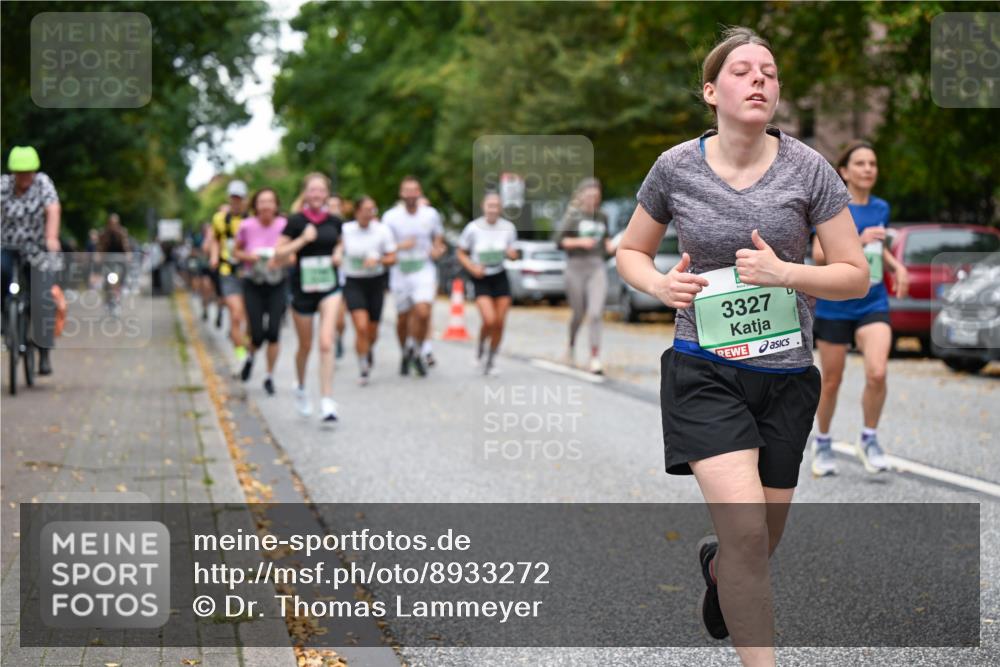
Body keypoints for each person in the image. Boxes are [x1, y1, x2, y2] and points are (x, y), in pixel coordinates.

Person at [615, 27, 868, 664]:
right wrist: (658, 284)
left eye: (770, 72)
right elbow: (630, 250)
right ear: (711, 90)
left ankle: (720, 572)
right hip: (705, 369)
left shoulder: (809, 168)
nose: (759, 80)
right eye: (743, 71)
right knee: (747, 531)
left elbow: (854, 274)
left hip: (786, 376)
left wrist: (788, 273)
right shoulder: (675, 167)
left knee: (757, 541)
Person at [810, 141, 909, 477]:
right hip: (835, 304)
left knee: (877, 372)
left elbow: (876, 248)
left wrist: (896, 266)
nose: (869, 169)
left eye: (873, 163)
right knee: (832, 381)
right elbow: (820, 255)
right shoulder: (833, 206)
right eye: (861, 163)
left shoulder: (881, 207)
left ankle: (869, 438)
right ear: (845, 171)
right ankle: (822, 442)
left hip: (872, 300)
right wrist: (859, 241)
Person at [275, 173, 343, 422]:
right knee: (305, 346)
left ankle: (327, 400)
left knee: (326, 342)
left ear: (326, 194)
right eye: (311, 190)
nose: (316, 195)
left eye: (321, 190)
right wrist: (302, 240)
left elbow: (341, 243)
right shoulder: (294, 222)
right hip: (302, 289)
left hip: (329, 287)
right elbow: (279, 252)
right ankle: (301, 388)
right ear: (305, 193)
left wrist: (338, 252)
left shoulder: (335, 221)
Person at [1, 146, 62, 376]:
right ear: (13, 173)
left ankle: (44, 353)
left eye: (28, 172)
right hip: (6, 245)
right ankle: (4, 317)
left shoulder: (42, 183)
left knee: (42, 296)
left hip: (37, 247)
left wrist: (51, 237)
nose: (24, 177)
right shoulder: (3, 185)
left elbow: (53, 209)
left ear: (34, 171)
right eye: (19, 172)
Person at [383, 177, 445, 377]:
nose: (410, 194)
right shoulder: (391, 217)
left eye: (414, 190)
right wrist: (401, 247)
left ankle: (416, 348)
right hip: (400, 271)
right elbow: (384, 245)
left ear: (419, 193)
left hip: (423, 269)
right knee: (402, 319)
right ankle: (405, 352)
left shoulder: (430, 214)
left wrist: (437, 249)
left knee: (423, 311)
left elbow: (438, 238)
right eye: (406, 190)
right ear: (401, 194)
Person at [233, 187, 288, 396]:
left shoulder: (284, 225)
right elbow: (235, 251)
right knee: (256, 333)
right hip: (253, 283)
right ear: (255, 205)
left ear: (276, 205)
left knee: (273, 332)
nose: (266, 206)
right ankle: (250, 357)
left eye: (270, 201)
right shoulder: (246, 226)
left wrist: (279, 259)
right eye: (262, 202)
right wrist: (251, 257)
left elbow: (292, 255)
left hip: (277, 283)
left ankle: (269, 376)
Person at [556, 177, 614, 374]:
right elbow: (558, 241)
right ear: (581, 197)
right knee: (579, 313)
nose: (592, 200)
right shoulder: (573, 217)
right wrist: (579, 242)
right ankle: (571, 346)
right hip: (575, 267)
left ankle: (595, 357)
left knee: (596, 312)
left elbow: (606, 242)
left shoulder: (602, 217)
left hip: (596, 266)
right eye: (589, 196)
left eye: (596, 196)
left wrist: (614, 247)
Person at [456, 192, 519, 375]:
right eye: (489, 205)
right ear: (483, 207)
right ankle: (480, 348)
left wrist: (512, 254)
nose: (493, 209)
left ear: (500, 208)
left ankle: (491, 360)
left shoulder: (508, 227)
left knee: (499, 322)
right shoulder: (473, 228)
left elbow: (512, 253)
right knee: (489, 319)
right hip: (481, 277)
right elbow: (461, 252)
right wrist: (472, 267)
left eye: (496, 206)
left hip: (499, 275)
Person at [337, 195, 397, 385]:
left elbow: (392, 257)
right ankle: (363, 366)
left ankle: (368, 349)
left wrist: (379, 260)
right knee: (361, 327)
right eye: (365, 209)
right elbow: (337, 249)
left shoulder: (382, 231)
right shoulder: (346, 230)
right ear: (357, 211)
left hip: (375, 282)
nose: (369, 213)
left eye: (373, 209)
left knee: (373, 331)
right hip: (354, 282)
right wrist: (338, 254)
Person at [208, 180, 250, 373]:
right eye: (233, 197)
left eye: (239, 197)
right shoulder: (219, 219)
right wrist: (214, 256)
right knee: (236, 314)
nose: (236, 201)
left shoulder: (251, 219)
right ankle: (240, 355)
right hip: (228, 272)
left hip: (250, 272)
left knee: (250, 318)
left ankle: (249, 347)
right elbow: (216, 240)